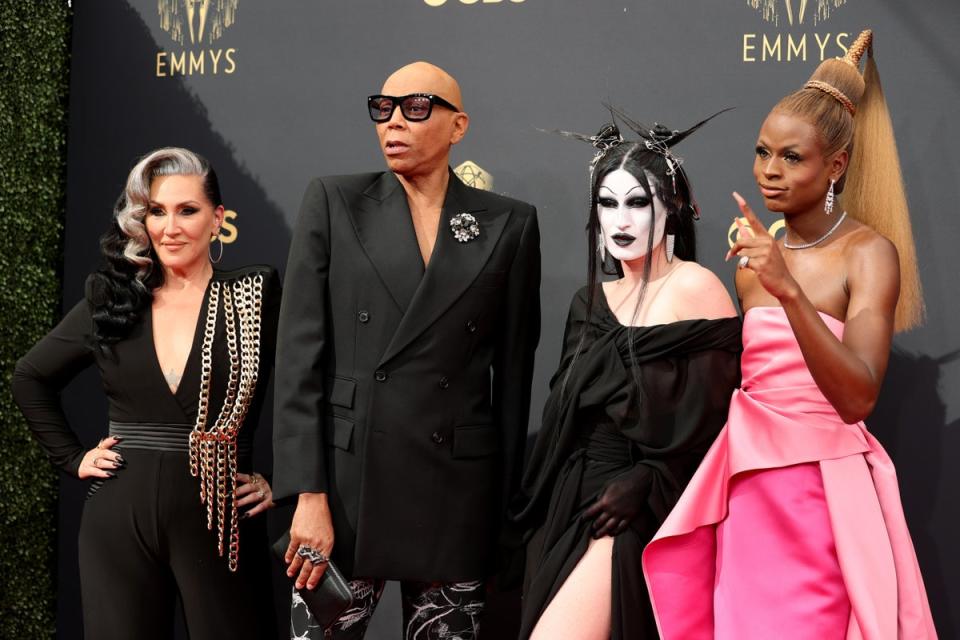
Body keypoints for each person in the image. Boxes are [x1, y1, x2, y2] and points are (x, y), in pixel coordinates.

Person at [642, 30, 937, 639]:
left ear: (836, 165)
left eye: (791, 157)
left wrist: (790, 291)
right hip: (748, 500)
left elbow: (857, 398)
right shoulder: (752, 262)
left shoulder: (868, 254)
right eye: (762, 152)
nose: (769, 172)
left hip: (824, 503)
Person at [273, 61, 540, 639]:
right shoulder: (333, 201)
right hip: (344, 493)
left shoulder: (509, 224)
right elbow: (298, 362)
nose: (394, 122)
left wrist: (505, 515)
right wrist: (307, 494)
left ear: (458, 125)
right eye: (382, 108)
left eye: (416, 108)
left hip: (455, 493)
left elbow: (514, 381)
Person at [12, 148, 280, 640]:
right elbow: (30, 377)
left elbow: (309, 389)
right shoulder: (111, 296)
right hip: (119, 516)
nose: (170, 227)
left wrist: (282, 481)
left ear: (218, 219)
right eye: (157, 211)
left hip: (221, 515)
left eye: (187, 210)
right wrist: (72, 457)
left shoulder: (253, 294)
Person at [508, 110, 741, 639]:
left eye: (638, 203)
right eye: (607, 203)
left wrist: (647, 480)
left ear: (673, 208)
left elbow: (723, 427)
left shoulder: (695, 289)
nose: (621, 220)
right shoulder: (588, 301)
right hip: (570, 504)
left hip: (643, 508)